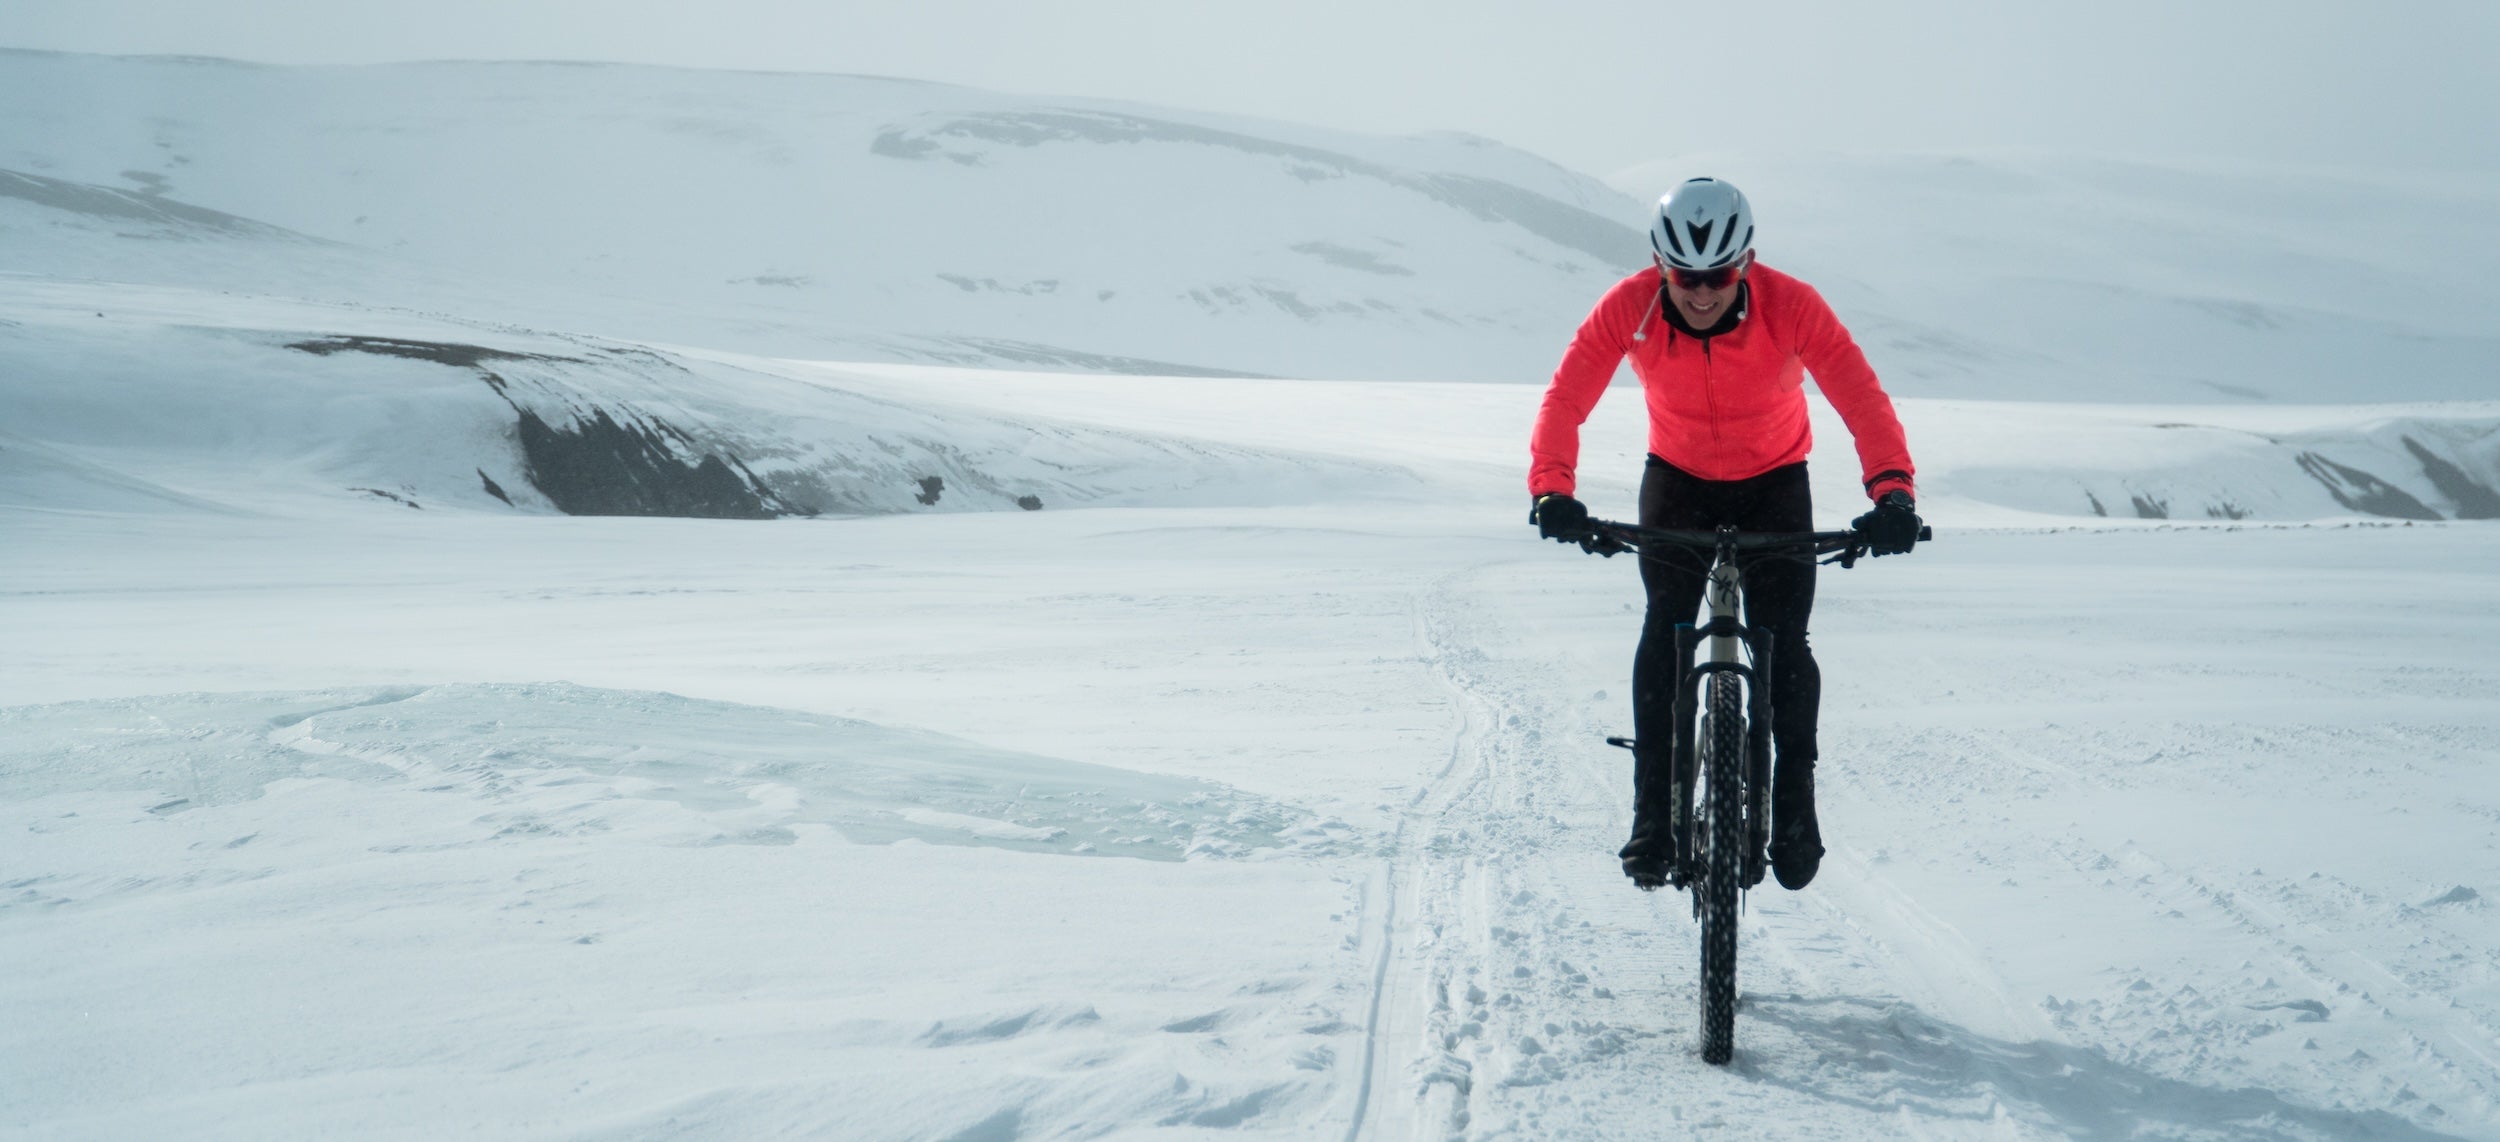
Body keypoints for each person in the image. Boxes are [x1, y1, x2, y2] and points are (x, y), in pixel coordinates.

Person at [1526, 177, 1922, 892]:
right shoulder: (1628, 307)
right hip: (1677, 481)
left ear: (1746, 263)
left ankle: (1794, 804)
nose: (1702, 292)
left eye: (1719, 276)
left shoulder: (1793, 305)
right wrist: (1552, 487)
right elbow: (1567, 395)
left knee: (1786, 640)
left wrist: (1892, 489)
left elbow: (1860, 395)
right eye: (1685, 277)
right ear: (1659, 265)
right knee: (1666, 628)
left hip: (1774, 481)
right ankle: (1653, 816)